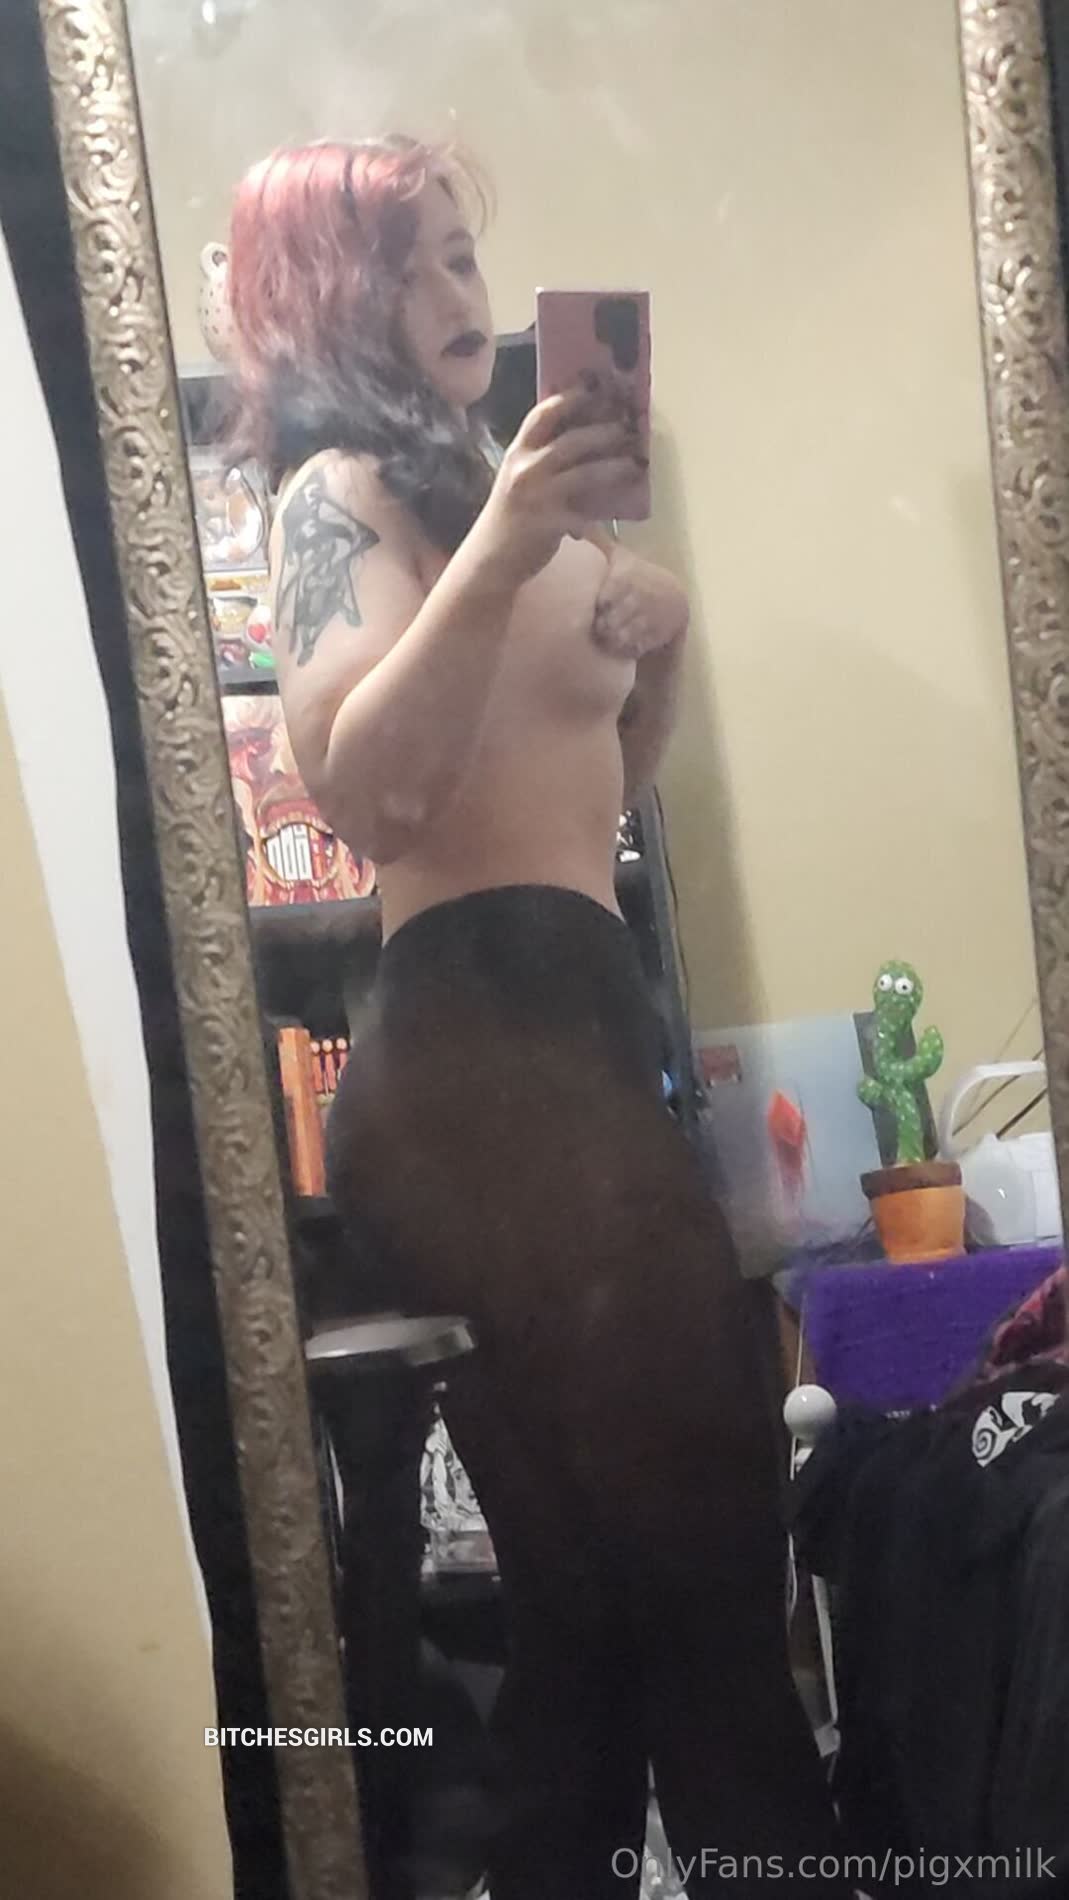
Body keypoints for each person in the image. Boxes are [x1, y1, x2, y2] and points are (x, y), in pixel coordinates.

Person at [227, 137, 845, 1900]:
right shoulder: (340, 496)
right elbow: (369, 794)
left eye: (463, 258)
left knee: (592, 1607)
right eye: (414, 263)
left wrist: (658, 650)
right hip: (473, 1055)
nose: (460, 295)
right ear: (331, 299)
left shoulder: (520, 498)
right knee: (711, 1557)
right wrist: (503, 551)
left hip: (573, 1024)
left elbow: (582, 795)